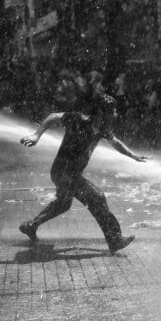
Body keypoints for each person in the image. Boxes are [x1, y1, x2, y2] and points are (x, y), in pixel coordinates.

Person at [18, 95, 148, 254]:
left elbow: (115, 143)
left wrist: (133, 155)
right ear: (101, 112)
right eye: (112, 111)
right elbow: (53, 117)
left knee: (63, 204)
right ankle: (114, 239)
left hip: (71, 174)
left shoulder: (102, 129)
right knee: (97, 197)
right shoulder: (77, 119)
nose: (115, 114)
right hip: (63, 172)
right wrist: (36, 136)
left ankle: (31, 226)